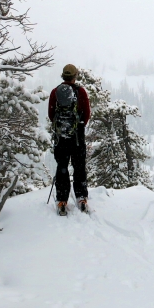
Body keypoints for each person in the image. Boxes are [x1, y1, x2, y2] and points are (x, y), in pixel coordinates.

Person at [48, 64, 91, 215]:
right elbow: (86, 114)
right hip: (77, 137)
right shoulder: (81, 92)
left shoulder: (55, 92)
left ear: (63, 76)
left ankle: (62, 200)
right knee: (79, 167)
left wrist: (61, 128)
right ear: (75, 76)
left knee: (62, 167)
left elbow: (51, 114)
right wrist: (78, 127)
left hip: (61, 138)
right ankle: (81, 197)